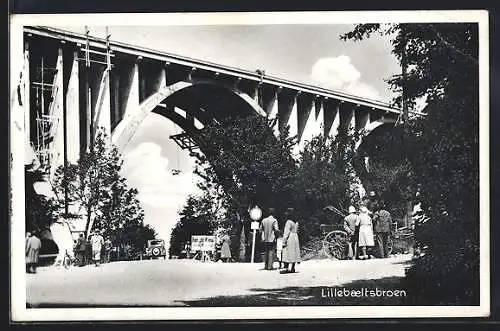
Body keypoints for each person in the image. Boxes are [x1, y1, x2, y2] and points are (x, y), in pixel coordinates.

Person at [281, 208, 301, 273]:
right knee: (294, 252)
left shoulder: (288, 222)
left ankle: (286, 268)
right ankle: (293, 267)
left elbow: (286, 232)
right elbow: (298, 230)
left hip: (290, 237)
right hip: (295, 236)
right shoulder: (296, 222)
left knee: (286, 252)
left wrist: (284, 241)